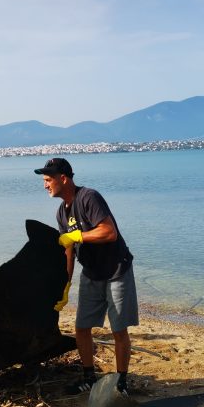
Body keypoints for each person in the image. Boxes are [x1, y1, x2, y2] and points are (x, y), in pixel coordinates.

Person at [35, 158, 138, 395]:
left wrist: (77, 236)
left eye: (48, 180)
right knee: (81, 328)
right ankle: (89, 377)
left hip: (116, 271)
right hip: (91, 274)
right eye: (44, 181)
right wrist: (65, 285)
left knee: (118, 330)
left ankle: (121, 382)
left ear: (64, 178)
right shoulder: (62, 212)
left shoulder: (89, 197)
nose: (45, 185)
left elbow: (108, 232)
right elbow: (68, 252)